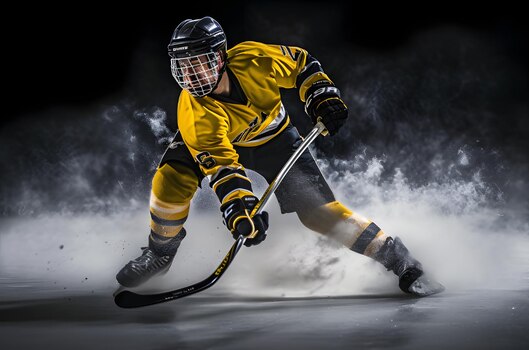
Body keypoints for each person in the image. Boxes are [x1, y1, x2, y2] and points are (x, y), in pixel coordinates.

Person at [116, 16, 444, 296]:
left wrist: (321, 93)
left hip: (274, 140)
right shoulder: (195, 113)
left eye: (200, 63)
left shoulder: (253, 59)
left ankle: (402, 261)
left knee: (321, 214)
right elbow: (223, 167)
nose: (192, 76)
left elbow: (301, 64)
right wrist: (239, 208)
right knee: (171, 178)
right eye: (185, 67)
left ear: (221, 57)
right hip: (218, 146)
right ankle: (160, 252)